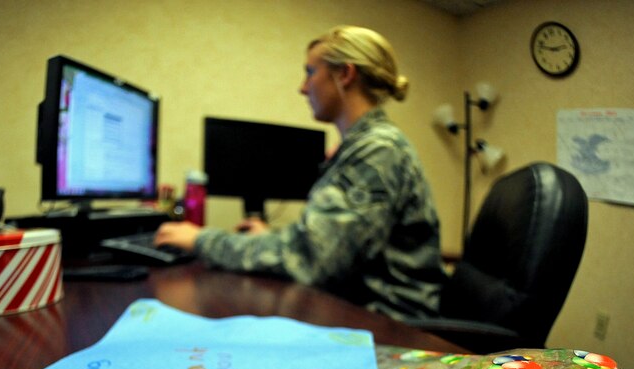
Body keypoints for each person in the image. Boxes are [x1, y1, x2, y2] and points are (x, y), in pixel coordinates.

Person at [155, 25, 446, 320]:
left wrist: (201, 240)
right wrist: (271, 239)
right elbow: (324, 244)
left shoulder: (379, 150)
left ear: (345, 74)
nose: (303, 88)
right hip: (356, 308)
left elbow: (314, 261)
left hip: (392, 327)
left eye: (310, 72)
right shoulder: (362, 146)